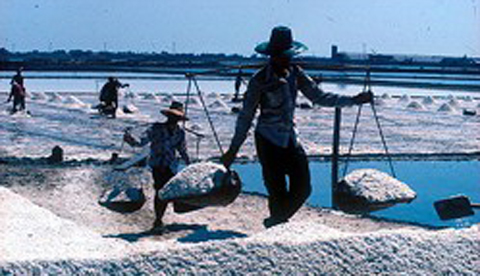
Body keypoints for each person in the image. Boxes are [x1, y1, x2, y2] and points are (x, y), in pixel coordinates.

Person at [221, 26, 373, 228]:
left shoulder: (296, 73)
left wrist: (353, 100)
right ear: (272, 55)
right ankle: (277, 227)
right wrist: (233, 150)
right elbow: (246, 117)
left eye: (288, 55)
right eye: (281, 55)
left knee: (303, 188)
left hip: (291, 138)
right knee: (277, 190)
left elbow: (319, 96)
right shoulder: (259, 80)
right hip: (268, 140)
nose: (286, 59)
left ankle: (276, 221)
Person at [123, 101, 193, 231]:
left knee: (167, 191)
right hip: (158, 164)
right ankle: (158, 220)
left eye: (177, 117)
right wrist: (130, 140)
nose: (174, 119)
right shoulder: (156, 128)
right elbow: (141, 142)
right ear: (168, 116)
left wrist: (190, 164)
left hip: (171, 165)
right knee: (161, 191)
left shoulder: (180, 133)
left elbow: (182, 150)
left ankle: (160, 219)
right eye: (172, 116)